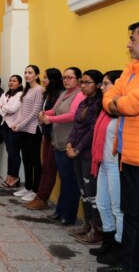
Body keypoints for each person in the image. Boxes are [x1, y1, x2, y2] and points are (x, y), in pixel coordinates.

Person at [102, 20, 139, 272]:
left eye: (133, 39)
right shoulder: (130, 70)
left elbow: (133, 104)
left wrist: (117, 102)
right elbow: (109, 99)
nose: (128, 44)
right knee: (130, 213)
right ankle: (126, 262)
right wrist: (117, 101)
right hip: (126, 153)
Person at [41, 67, 84, 226]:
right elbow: (55, 110)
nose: (66, 80)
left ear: (78, 80)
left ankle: (69, 215)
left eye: (70, 77)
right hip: (57, 140)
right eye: (64, 77)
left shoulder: (79, 95)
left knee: (69, 180)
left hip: (69, 142)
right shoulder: (63, 94)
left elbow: (73, 115)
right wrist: (45, 114)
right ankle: (60, 211)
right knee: (63, 178)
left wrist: (50, 120)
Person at [67, 69, 104, 244]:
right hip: (76, 151)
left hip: (87, 154)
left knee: (92, 193)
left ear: (97, 85)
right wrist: (69, 143)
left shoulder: (98, 105)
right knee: (83, 191)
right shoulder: (84, 102)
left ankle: (97, 229)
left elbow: (92, 131)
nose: (82, 85)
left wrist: (78, 149)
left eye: (86, 82)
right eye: (81, 82)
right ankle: (87, 224)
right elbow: (76, 126)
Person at [90, 70, 122, 267]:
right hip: (102, 162)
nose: (102, 87)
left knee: (117, 208)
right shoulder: (104, 110)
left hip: (115, 164)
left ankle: (120, 246)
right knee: (102, 203)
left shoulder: (121, 111)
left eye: (106, 84)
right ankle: (108, 240)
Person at [24, 68, 64, 210]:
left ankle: (42, 197)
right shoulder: (48, 93)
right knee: (45, 166)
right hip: (46, 133)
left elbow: (58, 113)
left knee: (49, 167)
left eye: (46, 78)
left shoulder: (59, 94)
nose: (44, 80)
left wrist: (44, 116)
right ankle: (40, 196)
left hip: (54, 134)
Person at [12, 65, 44, 202]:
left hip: (33, 129)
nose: (27, 75)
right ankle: (28, 187)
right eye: (25, 72)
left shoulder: (39, 90)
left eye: (30, 73)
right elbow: (23, 110)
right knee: (26, 159)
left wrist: (20, 125)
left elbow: (35, 112)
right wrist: (17, 123)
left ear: (37, 75)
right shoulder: (27, 90)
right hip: (23, 130)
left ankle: (35, 190)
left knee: (35, 160)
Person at [0, 75, 23, 187]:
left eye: (14, 81)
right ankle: (9, 176)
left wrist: (4, 108)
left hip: (14, 126)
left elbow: (13, 109)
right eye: (10, 80)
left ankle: (14, 177)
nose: (11, 82)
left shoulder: (20, 94)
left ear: (20, 84)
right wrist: (5, 110)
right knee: (9, 151)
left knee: (14, 152)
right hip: (5, 125)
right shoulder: (5, 93)